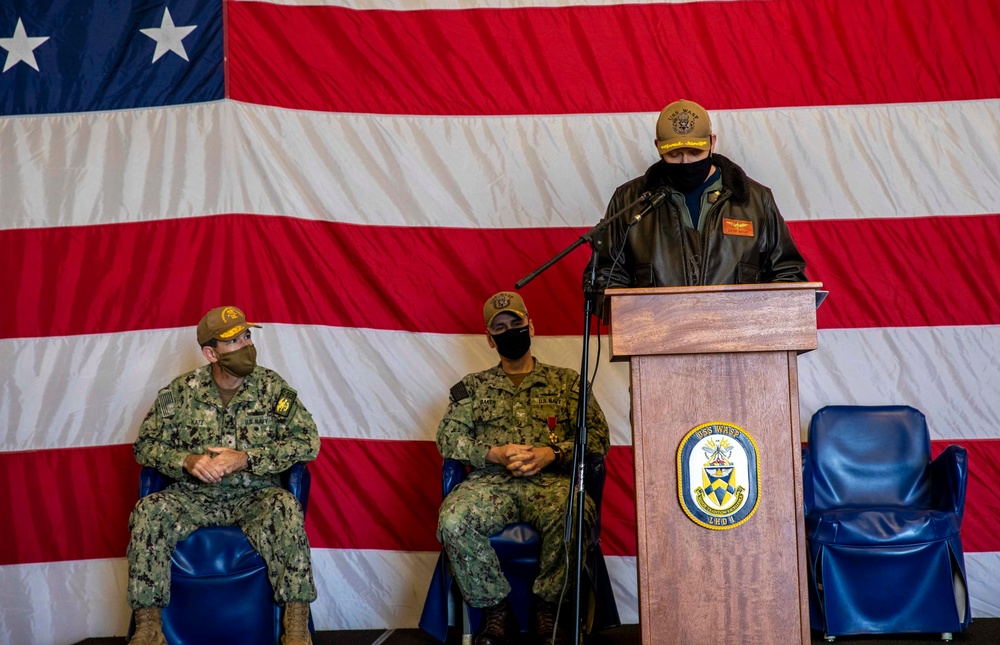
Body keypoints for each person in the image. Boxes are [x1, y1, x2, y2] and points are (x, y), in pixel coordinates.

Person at [126, 306, 320, 645]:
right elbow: (144, 446)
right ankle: (149, 628)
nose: (246, 345)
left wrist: (247, 457)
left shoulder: (272, 389)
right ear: (211, 353)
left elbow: (308, 442)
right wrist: (186, 461)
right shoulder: (182, 392)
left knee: (286, 508)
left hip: (255, 496)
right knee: (148, 512)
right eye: (234, 341)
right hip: (195, 498)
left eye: (247, 335)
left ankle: (297, 629)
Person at [436, 291, 610, 645]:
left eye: (516, 323)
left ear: (531, 325)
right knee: (453, 520)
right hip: (491, 484)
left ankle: (549, 610)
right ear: (489, 338)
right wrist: (494, 453)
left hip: (551, 483)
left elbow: (597, 439)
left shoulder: (567, 382)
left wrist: (553, 454)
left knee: (575, 513)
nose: (510, 331)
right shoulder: (472, 387)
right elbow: (448, 440)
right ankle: (495, 611)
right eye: (499, 327)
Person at [590, 99, 807, 313]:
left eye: (695, 152)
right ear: (658, 147)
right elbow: (606, 274)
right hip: (656, 337)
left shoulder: (756, 200)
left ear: (712, 142)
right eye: (674, 154)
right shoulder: (629, 201)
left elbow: (787, 272)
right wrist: (634, 315)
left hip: (739, 339)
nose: (686, 162)